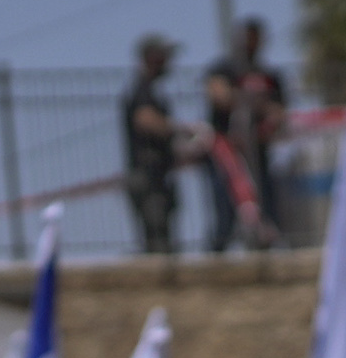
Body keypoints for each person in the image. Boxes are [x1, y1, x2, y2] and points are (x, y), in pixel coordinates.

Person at [201, 14, 285, 252]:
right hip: (226, 153)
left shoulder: (269, 74)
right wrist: (253, 103)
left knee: (265, 206)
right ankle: (218, 254)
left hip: (258, 152)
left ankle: (265, 250)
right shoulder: (223, 68)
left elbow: (279, 112)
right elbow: (219, 95)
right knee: (224, 209)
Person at [121, 32, 187, 258]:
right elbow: (145, 120)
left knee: (163, 236)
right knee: (156, 237)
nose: (168, 62)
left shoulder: (151, 90)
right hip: (147, 176)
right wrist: (180, 131)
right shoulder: (141, 90)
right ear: (151, 57)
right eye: (163, 56)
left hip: (158, 174)